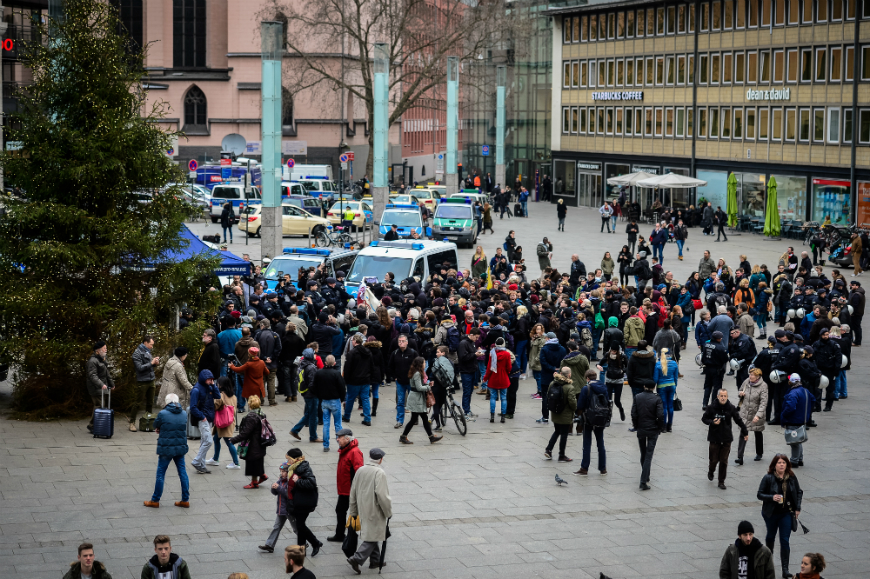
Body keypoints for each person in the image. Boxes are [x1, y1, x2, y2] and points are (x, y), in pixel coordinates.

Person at [347, 448, 393, 573]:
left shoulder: (360, 470)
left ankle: (376, 560)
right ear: (381, 459)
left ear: (369, 456)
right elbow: (382, 495)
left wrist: (353, 511)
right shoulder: (379, 472)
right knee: (373, 536)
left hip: (362, 508)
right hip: (375, 510)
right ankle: (357, 558)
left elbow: (353, 491)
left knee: (374, 533)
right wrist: (388, 512)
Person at [757, 454, 803, 578]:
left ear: (787, 464)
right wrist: (772, 497)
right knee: (770, 537)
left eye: (784, 462)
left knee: (785, 540)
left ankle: (785, 569)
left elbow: (799, 492)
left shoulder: (792, 478)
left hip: (786, 513)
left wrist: (797, 508)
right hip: (771, 514)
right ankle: (768, 563)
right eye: (779, 463)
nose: (782, 465)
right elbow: (759, 494)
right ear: (774, 465)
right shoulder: (768, 478)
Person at [702, 388, 749, 490]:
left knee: (724, 461)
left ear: (727, 397)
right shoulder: (711, 408)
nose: (723, 398)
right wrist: (712, 422)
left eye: (725, 396)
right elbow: (704, 418)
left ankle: (721, 481)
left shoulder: (730, 408)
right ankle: (711, 470)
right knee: (713, 460)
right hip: (714, 438)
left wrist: (745, 431)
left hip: (726, 438)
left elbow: (738, 420)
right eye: (721, 396)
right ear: (718, 396)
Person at [327, 428, 364, 543]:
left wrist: (356, 489)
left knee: (349, 512)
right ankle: (340, 534)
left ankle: (348, 536)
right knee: (341, 511)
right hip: (344, 488)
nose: (337, 439)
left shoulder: (354, 452)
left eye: (340, 437)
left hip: (350, 490)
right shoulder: (345, 450)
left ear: (347, 439)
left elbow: (359, 472)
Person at [285, 448, 323, 556]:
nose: (288, 461)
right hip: (296, 501)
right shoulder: (293, 468)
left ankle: (315, 543)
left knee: (300, 525)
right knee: (300, 525)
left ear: (294, 459)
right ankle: (302, 550)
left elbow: (311, 482)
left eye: (289, 459)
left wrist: (298, 481)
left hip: (303, 502)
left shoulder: (303, 468)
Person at [399, 356, 442, 444]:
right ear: (420, 364)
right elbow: (419, 387)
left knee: (423, 418)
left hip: (417, 398)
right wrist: (428, 386)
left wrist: (427, 385)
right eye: (424, 363)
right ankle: (403, 436)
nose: (425, 364)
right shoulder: (417, 374)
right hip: (417, 399)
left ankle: (430, 437)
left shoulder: (415, 372)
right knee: (415, 419)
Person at [230, 395, 270, 489]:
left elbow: (245, 433)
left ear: (250, 405)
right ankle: (262, 475)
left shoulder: (251, 417)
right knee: (259, 461)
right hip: (260, 443)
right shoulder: (261, 413)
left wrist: (233, 440)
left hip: (253, 444)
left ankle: (254, 482)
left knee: (252, 463)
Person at [631, 378, 664, 490]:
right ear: (654, 387)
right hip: (653, 429)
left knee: (643, 453)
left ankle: (646, 475)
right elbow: (660, 415)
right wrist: (660, 427)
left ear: (644, 386)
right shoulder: (657, 398)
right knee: (649, 455)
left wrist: (636, 426)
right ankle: (643, 480)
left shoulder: (638, 397)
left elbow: (633, 413)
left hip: (641, 428)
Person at [258, 461, 298, 553]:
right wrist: (274, 487)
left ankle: (304, 542)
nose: (281, 473)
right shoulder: (280, 480)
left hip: (289, 510)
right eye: (281, 471)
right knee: (276, 527)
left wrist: (278, 488)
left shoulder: (290, 482)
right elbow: (275, 493)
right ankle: (269, 545)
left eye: (283, 471)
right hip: (281, 509)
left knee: (296, 528)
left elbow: (288, 494)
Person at [575, 369, 608, 475]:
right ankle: (603, 468)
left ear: (587, 378)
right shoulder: (603, 387)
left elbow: (580, 405)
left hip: (588, 418)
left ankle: (584, 468)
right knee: (600, 443)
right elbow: (607, 401)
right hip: (601, 418)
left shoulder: (586, 388)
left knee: (587, 443)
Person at [188, 369, 220, 474]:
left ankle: (201, 465)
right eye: (209, 379)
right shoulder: (196, 390)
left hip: (209, 417)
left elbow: (218, 396)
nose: (210, 381)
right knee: (208, 441)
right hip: (203, 418)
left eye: (211, 379)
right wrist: (202, 417)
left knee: (204, 441)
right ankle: (197, 461)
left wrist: (214, 385)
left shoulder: (209, 387)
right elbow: (193, 407)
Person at [544, 367, 577, 462]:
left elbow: (548, 395)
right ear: (569, 375)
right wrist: (574, 409)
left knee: (557, 431)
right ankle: (561, 455)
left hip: (555, 412)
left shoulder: (552, 383)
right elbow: (572, 402)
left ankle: (548, 449)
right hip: (565, 414)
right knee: (564, 434)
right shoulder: (569, 387)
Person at [736, 368, 768, 465]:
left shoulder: (763, 386)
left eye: (753, 375)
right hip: (745, 412)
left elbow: (763, 402)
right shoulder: (747, 381)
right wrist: (740, 393)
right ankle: (740, 457)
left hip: (756, 413)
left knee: (758, 433)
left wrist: (758, 415)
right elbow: (741, 389)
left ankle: (759, 453)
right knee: (743, 433)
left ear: (758, 376)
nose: (750, 376)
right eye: (750, 374)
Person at [206, 376, 240, 470]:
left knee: (229, 442)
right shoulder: (233, 396)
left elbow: (215, 406)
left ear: (221, 385)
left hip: (223, 422)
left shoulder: (221, 395)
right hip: (229, 421)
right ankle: (215, 459)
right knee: (216, 439)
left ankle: (236, 463)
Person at [781, 374, 814, 467]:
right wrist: (807, 413)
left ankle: (794, 461)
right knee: (798, 440)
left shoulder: (793, 393)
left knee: (794, 442)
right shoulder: (805, 390)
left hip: (793, 420)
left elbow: (790, 407)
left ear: (791, 381)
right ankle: (799, 459)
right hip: (802, 420)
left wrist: (784, 415)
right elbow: (813, 400)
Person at [387, 334, 418, 429]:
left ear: (407, 342)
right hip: (400, 381)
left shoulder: (413, 353)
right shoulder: (395, 353)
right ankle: (400, 420)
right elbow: (390, 366)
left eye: (403, 341)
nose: (401, 343)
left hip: (411, 381)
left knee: (413, 401)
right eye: (399, 341)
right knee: (400, 402)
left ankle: (415, 418)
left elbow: (419, 365)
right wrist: (394, 377)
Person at [290, 349, 321, 443]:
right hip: (311, 394)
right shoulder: (311, 367)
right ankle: (313, 436)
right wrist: (317, 392)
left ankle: (295, 430)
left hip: (305, 392)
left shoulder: (301, 364)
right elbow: (312, 383)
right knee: (313, 416)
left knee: (308, 413)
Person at [130, 335, 160, 432]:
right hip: (142, 381)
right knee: (138, 403)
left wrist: (154, 364)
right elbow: (139, 368)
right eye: (151, 344)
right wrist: (151, 363)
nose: (152, 346)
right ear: (145, 343)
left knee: (150, 402)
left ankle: (149, 421)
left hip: (151, 380)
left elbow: (149, 366)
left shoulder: (147, 351)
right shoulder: (137, 353)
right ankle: (132, 422)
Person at [343, 335, 373, 426]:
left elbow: (347, 368)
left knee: (350, 399)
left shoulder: (351, 353)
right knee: (365, 399)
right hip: (365, 380)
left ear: (355, 341)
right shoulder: (368, 352)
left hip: (354, 381)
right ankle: (367, 418)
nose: (352, 341)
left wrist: (346, 380)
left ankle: (347, 416)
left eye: (352, 340)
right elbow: (371, 366)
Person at [86, 340, 115, 432]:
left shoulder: (101, 360)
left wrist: (111, 384)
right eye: (104, 348)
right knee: (99, 405)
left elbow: (107, 373)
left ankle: (94, 424)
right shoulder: (93, 361)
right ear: (98, 350)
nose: (106, 350)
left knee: (100, 405)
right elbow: (93, 376)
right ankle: (92, 425)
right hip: (95, 387)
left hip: (101, 387)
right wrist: (101, 384)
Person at [483, 337, 512, 423]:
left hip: (493, 378)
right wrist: (507, 372)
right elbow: (509, 367)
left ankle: (492, 416)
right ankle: (503, 417)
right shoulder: (507, 354)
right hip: (503, 378)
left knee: (492, 397)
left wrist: (485, 378)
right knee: (503, 398)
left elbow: (488, 368)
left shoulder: (492, 353)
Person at [653, 347, 679, 432]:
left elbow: (655, 379)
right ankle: (670, 426)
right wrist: (675, 387)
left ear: (660, 355)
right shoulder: (674, 364)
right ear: (670, 355)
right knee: (670, 406)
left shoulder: (658, 364)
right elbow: (675, 378)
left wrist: (653, 387)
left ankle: (663, 426)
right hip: (671, 385)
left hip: (662, 387)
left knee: (664, 406)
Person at [702, 330, 729, 409]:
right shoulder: (720, 347)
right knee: (716, 387)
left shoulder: (706, 344)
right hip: (717, 369)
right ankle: (713, 404)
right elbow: (725, 359)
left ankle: (704, 403)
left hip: (708, 368)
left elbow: (703, 356)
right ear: (718, 339)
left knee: (707, 386)